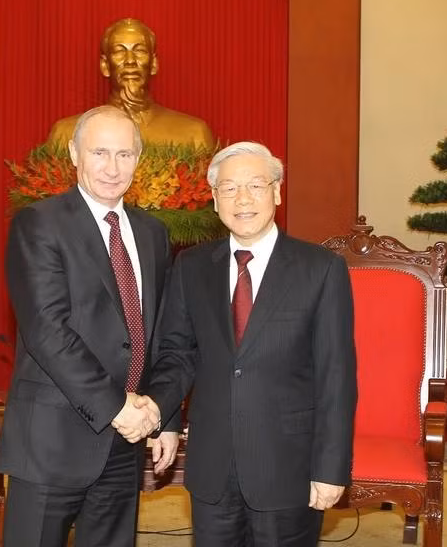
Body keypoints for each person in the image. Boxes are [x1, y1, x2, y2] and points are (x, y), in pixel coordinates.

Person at [142, 142, 358, 546]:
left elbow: (337, 376)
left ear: (277, 192)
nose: (242, 199)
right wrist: (167, 421)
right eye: (229, 188)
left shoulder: (321, 269)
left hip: (287, 464)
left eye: (255, 186)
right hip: (212, 462)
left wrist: (330, 468)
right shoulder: (190, 267)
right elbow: (176, 351)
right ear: (214, 199)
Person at [0, 105, 179, 547]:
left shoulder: (153, 233)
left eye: (124, 154)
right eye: (100, 152)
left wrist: (164, 415)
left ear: (139, 159)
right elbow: (47, 330)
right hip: (53, 438)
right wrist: (118, 407)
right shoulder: (39, 224)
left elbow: (159, 332)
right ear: (75, 155)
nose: (113, 168)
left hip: (127, 439)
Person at [47, 17, 215, 149]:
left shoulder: (194, 134)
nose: (130, 61)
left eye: (139, 51)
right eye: (119, 51)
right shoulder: (66, 134)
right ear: (105, 65)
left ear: (154, 64)